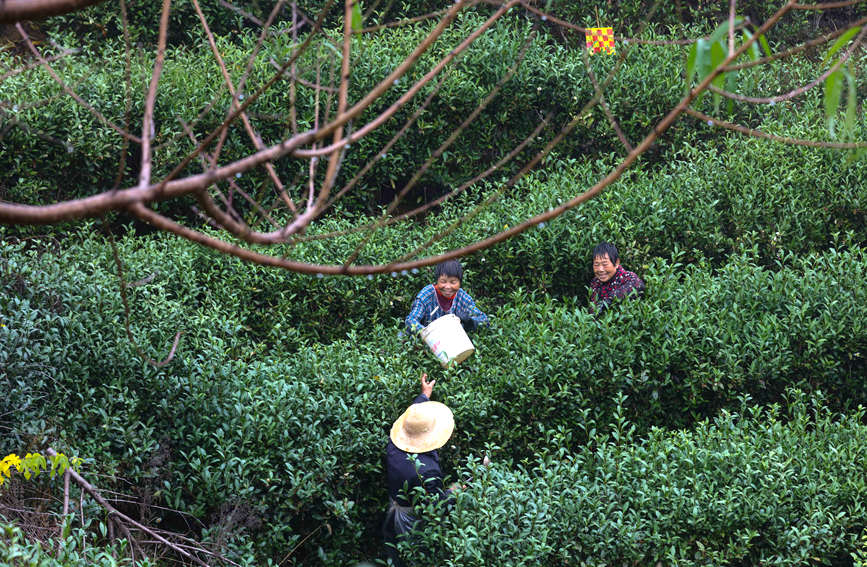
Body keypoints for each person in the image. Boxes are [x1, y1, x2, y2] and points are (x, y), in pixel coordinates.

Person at [383, 372, 456, 567]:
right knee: (415, 553)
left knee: (395, 545)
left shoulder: (394, 444)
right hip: (411, 515)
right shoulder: (427, 471)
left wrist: (424, 395)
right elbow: (437, 505)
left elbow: (413, 416)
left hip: (395, 503)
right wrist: (461, 488)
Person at [404, 260, 489, 335]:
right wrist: (427, 333)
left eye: (453, 282)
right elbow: (411, 321)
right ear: (437, 280)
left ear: (460, 283)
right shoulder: (426, 295)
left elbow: (484, 321)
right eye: (443, 281)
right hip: (427, 345)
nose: (448, 287)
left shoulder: (463, 298)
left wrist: (470, 321)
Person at [589, 242, 645, 314]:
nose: (600, 269)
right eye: (596, 264)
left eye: (605, 264)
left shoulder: (628, 278)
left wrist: (608, 301)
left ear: (616, 263)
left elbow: (639, 285)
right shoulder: (595, 282)